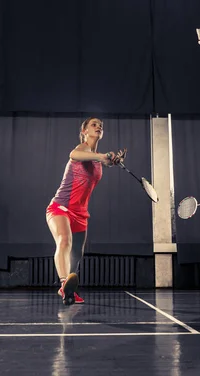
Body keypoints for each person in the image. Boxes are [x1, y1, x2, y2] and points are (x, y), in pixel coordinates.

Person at [46, 117, 126, 306]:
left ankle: (69, 291)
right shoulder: (82, 149)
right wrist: (101, 156)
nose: (98, 127)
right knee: (64, 241)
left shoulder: (97, 158)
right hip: (61, 207)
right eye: (93, 124)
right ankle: (64, 282)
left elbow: (101, 161)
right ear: (84, 132)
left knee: (77, 255)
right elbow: (74, 154)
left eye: (101, 125)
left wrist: (112, 160)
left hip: (81, 214)